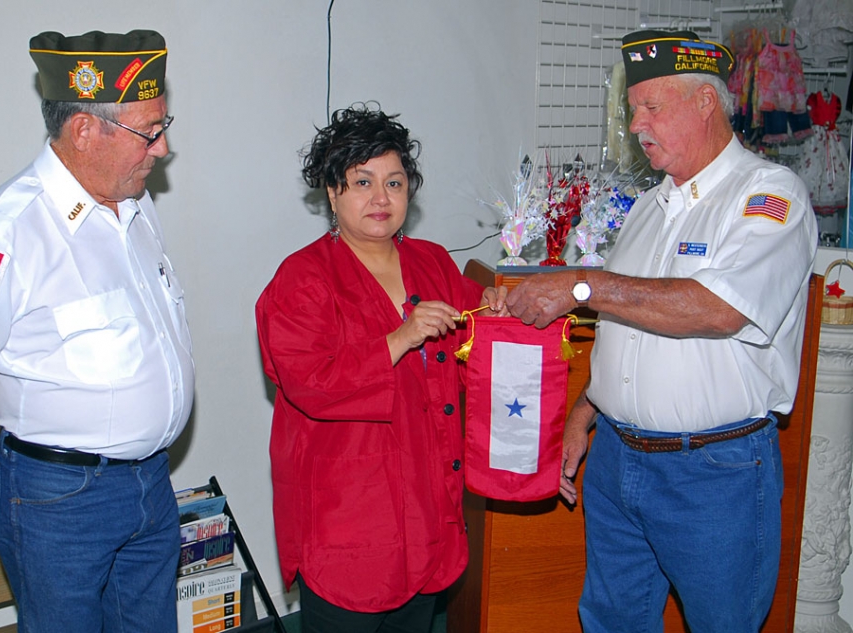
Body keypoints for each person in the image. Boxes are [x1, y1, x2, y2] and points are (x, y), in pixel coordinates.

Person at [505, 30, 818, 632]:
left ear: (706, 102)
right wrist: (585, 410)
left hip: (712, 473)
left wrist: (582, 284)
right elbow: (632, 326)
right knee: (611, 621)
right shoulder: (649, 208)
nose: (637, 124)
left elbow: (717, 309)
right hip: (619, 463)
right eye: (632, 110)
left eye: (653, 106)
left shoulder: (767, 196)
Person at [0, 30, 193, 632]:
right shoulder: (3, 237)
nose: (164, 147)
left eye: (164, 124)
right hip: (58, 503)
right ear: (86, 130)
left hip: (150, 484)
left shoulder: (134, 206)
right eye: (149, 130)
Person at [255, 102, 508, 633]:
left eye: (394, 183)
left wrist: (497, 302)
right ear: (332, 192)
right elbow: (309, 383)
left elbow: (476, 332)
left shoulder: (433, 262)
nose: (380, 198)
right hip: (350, 520)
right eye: (362, 181)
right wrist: (400, 337)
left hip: (428, 507)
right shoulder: (302, 279)